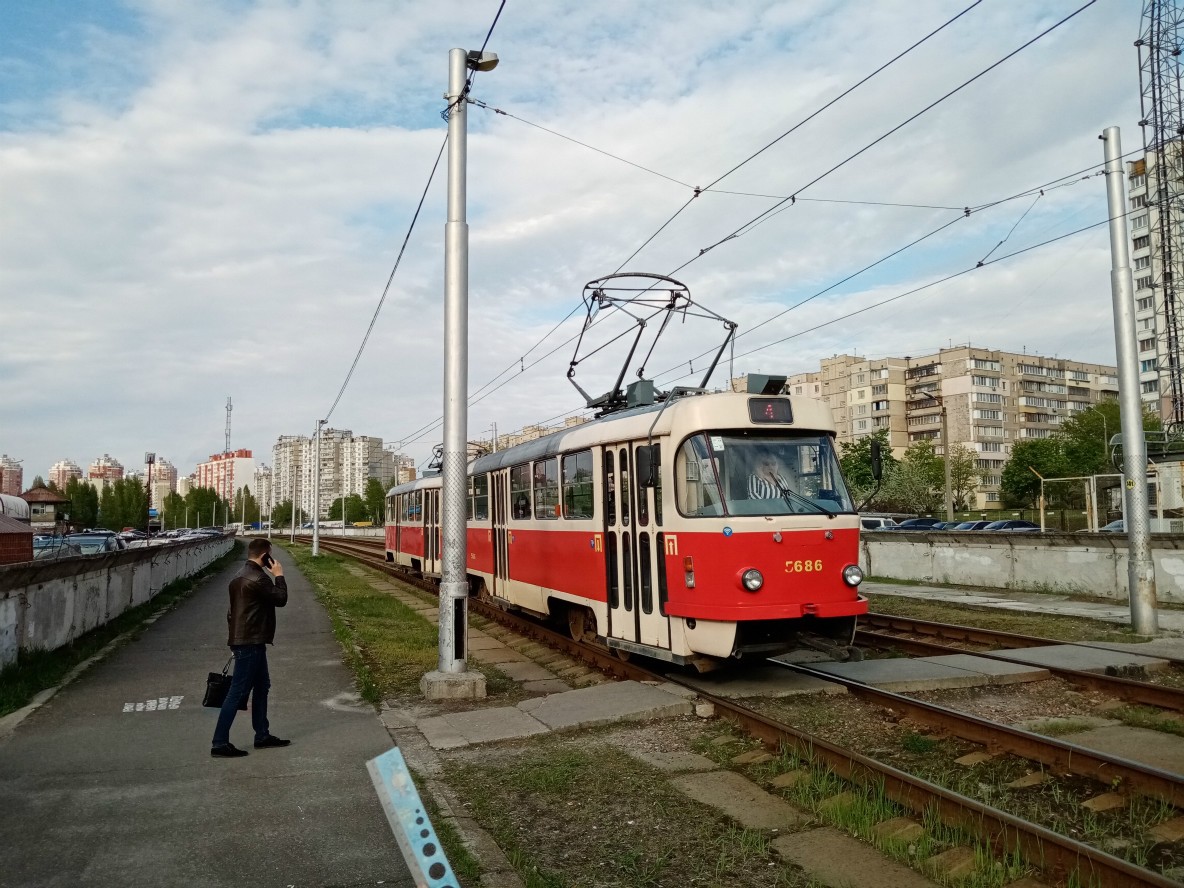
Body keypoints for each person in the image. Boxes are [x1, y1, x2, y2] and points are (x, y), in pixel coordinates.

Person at [211, 538, 290, 758]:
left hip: (247, 641)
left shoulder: (238, 575)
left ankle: (262, 735)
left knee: (262, 686)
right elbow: (281, 598)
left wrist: (235, 639)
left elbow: (231, 613)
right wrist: (279, 575)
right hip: (250, 642)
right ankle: (219, 743)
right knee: (236, 692)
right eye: (270, 554)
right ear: (265, 556)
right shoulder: (259, 578)